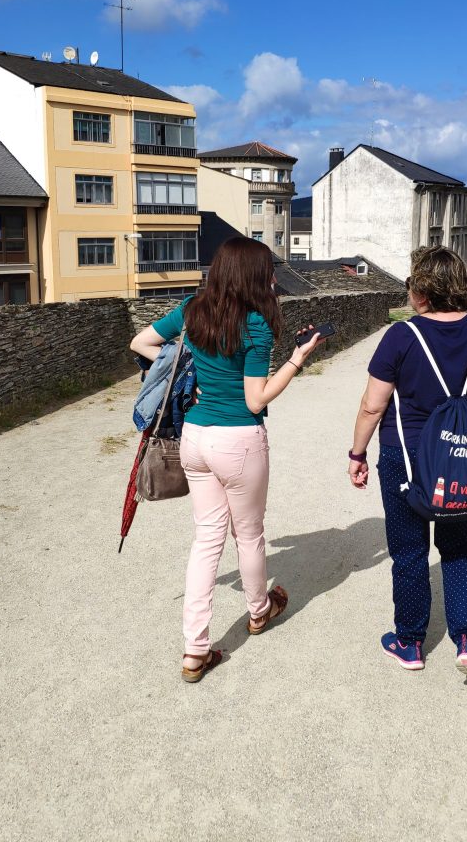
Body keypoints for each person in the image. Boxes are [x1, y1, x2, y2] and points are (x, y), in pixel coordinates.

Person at [130, 237, 322, 682]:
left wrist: (186, 370)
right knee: (249, 535)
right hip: (238, 439)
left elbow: (142, 342)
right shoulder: (255, 325)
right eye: (268, 271)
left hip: (195, 438)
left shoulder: (193, 308)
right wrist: (296, 359)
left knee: (206, 540)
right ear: (252, 276)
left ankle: (194, 651)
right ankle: (259, 611)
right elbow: (256, 399)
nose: (273, 278)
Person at [348, 246, 467, 688]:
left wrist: (356, 455)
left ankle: (409, 643)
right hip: (466, 464)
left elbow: (373, 407)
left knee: (409, 552)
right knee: (462, 550)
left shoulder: (401, 336)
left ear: (421, 290)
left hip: (406, 461)